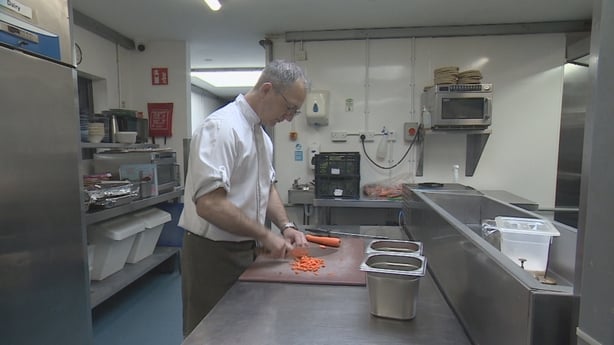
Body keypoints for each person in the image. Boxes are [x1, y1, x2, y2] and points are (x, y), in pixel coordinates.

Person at [178, 60, 309, 336]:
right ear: (267, 89)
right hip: (212, 254)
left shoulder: (261, 136)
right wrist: (265, 234)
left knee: (243, 328)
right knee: (210, 332)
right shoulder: (222, 128)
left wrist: (286, 227)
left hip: (247, 250)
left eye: (295, 111)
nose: (289, 118)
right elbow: (209, 204)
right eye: (289, 108)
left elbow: (267, 186)